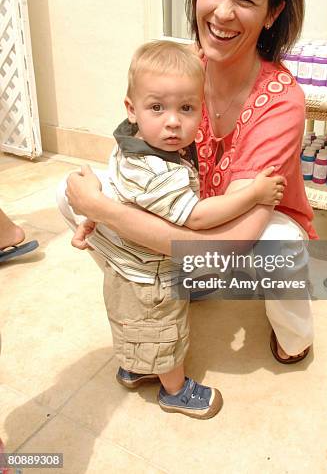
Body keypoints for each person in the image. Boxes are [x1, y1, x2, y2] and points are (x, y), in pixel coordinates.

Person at [64, 0, 317, 373]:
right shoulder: (180, 67)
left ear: (273, 13)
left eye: (245, 0)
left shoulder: (282, 103)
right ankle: (157, 287)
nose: (222, 13)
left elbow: (232, 244)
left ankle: (294, 338)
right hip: (187, 213)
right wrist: (95, 203)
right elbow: (135, 155)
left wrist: (104, 213)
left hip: (238, 232)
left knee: (280, 245)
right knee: (72, 193)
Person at [59, 39, 284, 419]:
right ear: (132, 109)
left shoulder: (128, 146)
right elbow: (195, 216)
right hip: (153, 276)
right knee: (166, 331)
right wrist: (254, 194)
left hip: (126, 267)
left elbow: (117, 192)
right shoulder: (159, 172)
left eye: (186, 108)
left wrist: (92, 221)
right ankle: (174, 391)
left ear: (201, 110)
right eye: (157, 108)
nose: (174, 121)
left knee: (134, 322)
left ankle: (134, 367)